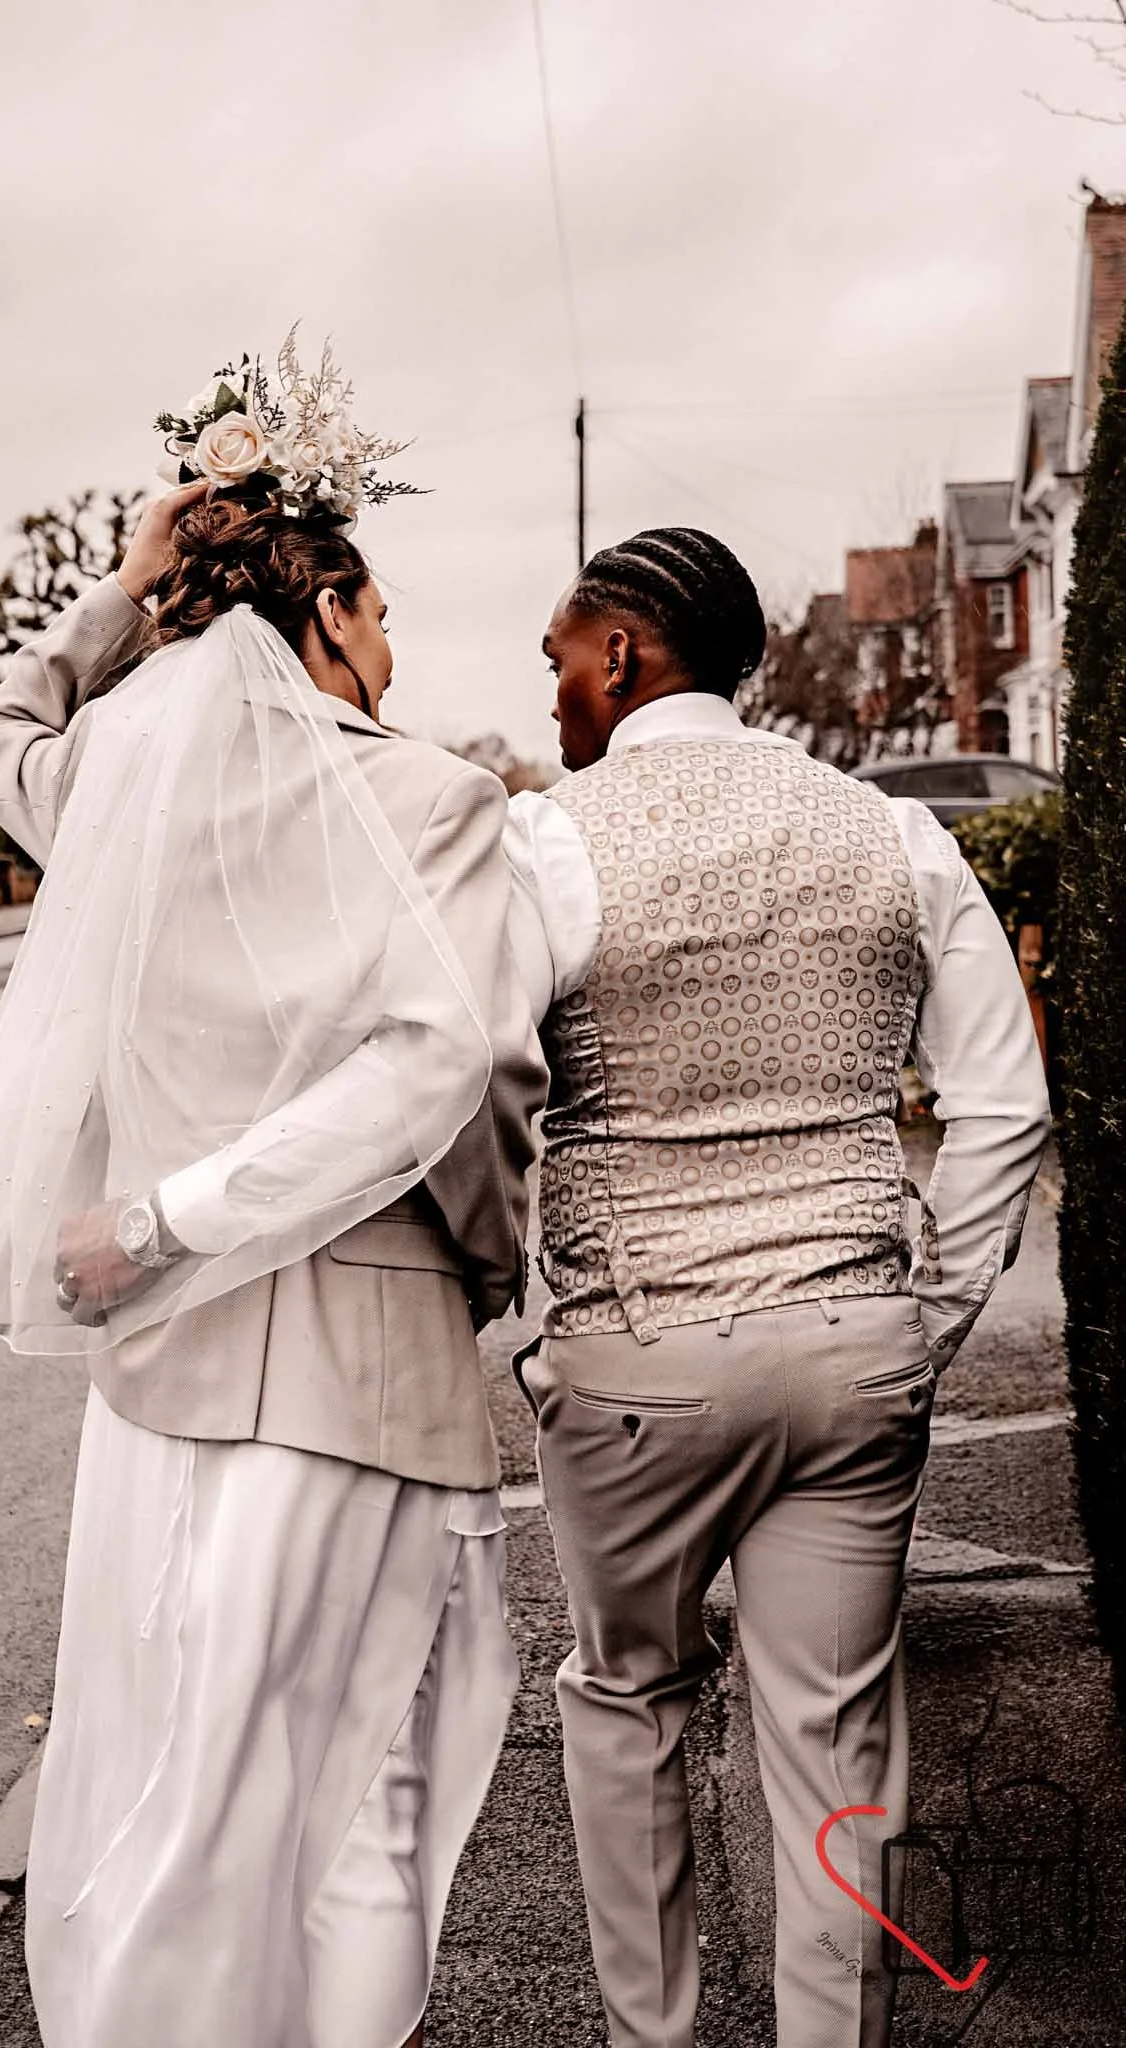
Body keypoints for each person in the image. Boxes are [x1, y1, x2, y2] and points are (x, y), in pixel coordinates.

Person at [0, 475, 546, 2048]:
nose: (392, 655)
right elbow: (449, 1074)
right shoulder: (433, 803)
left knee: (176, 1795)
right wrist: (483, 1261)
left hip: (156, 1384)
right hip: (363, 1376)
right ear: (325, 614)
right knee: (367, 1810)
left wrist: (123, 588)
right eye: (382, 617)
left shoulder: (123, 794)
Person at [503, 527, 1052, 2048]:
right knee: (834, 1746)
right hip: (855, 1339)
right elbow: (1004, 1104)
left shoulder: (548, 843)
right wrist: (921, 1320)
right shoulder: (896, 835)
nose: (550, 691)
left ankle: (656, 2035)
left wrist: (533, 1327)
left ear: (623, 652)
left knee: (629, 1706)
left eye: (558, 656)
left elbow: (478, 1092)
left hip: (638, 1351)